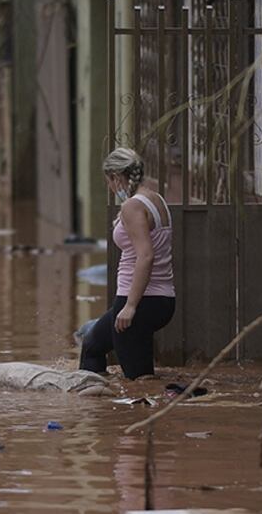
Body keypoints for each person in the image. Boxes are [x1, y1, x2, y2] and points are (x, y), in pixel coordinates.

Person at [79, 147, 175, 379]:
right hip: (160, 299)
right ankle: (101, 408)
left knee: (139, 382)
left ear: (116, 177)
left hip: (140, 300)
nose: (110, 188)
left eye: (109, 182)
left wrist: (131, 306)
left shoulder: (132, 206)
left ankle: (133, 413)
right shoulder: (156, 199)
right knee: (92, 345)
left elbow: (146, 255)